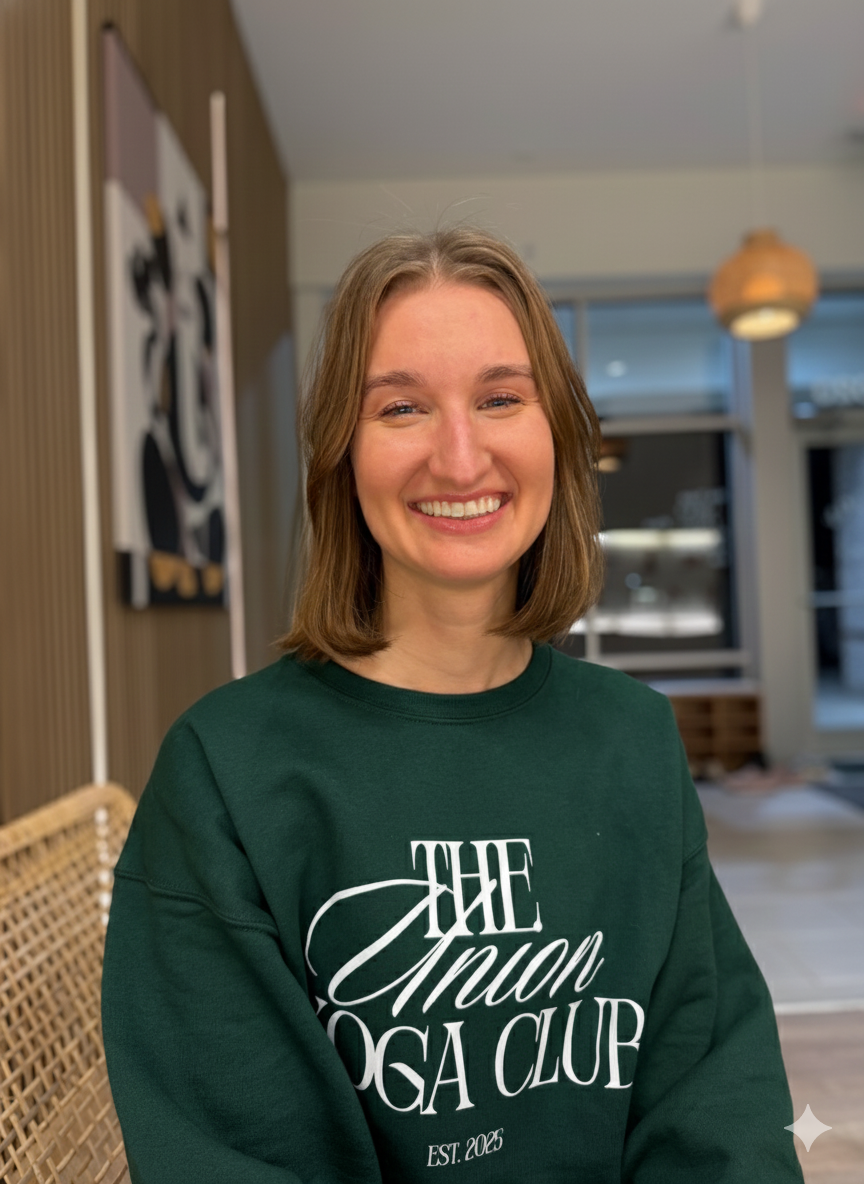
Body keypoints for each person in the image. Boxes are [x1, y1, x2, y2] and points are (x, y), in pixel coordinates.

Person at [101, 227, 805, 1183]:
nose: (460, 454)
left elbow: (715, 1099)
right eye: (401, 408)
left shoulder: (632, 737)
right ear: (342, 456)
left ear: (556, 430)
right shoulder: (227, 772)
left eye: (501, 398)